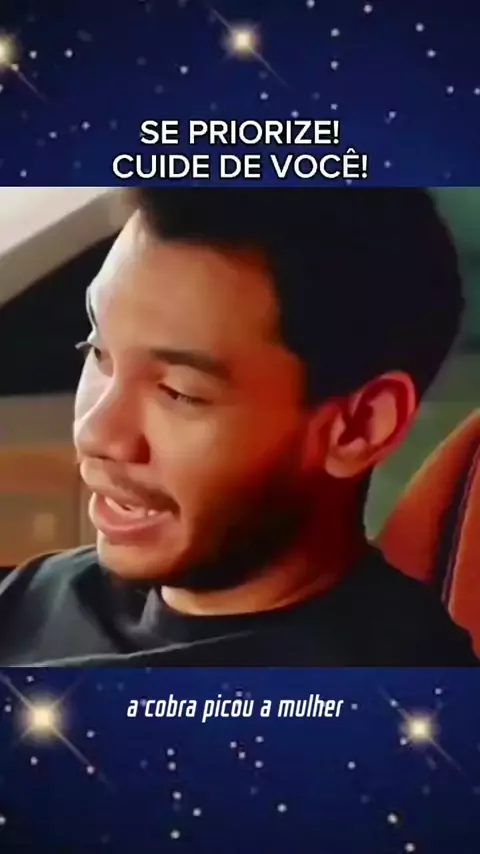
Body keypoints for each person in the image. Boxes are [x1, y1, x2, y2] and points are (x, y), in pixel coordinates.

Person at [0, 188, 477, 667]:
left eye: (180, 392)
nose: (96, 434)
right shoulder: (43, 593)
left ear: (360, 426)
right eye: (97, 352)